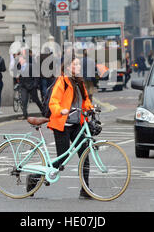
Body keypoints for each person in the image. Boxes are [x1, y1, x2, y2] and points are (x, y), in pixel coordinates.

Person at [27, 52, 94, 199]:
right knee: (61, 161)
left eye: (78, 64)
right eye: (75, 64)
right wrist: (61, 110)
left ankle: (85, 190)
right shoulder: (62, 81)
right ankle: (34, 178)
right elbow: (54, 102)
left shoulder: (79, 82)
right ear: (68, 66)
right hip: (63, 125)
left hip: (77, 124)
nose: (78, 66)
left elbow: (85, 100)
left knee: (84, 155)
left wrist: (90, 108)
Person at [18, 49, 44, 120]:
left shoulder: (31, 66)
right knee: (23, 100)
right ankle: (25, 115)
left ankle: (43, 111)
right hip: (23, 86)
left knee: (36, 100)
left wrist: (35, 84)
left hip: (31, 86)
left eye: (20, 59)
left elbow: (36, 76)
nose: (19, 61)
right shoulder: (19, 67)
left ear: (24, 60)